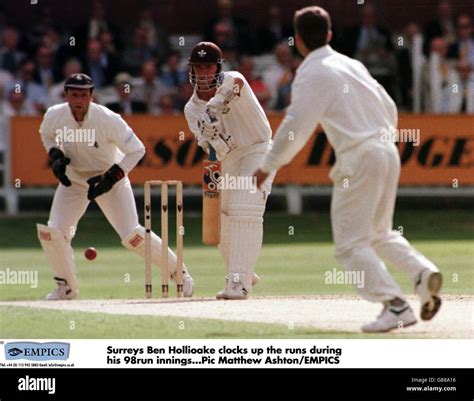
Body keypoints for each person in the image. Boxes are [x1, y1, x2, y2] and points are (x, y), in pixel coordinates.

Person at [253, 7, 443, 333]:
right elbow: (388, 105)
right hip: (385, 148)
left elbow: (296, 126)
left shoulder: (313, 73)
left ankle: (395, 305)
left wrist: (267, 165)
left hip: (360, 155)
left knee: (350, 245)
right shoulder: (351, 64)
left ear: (297, 40)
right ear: (328, 35)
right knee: (379, 233)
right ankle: (422, 274)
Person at [37, 73, 194, 300]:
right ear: (66, 95)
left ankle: (180, 274)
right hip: (74, 180)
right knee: (54, 232)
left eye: (83, 95)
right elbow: (46, 134)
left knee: (132, 235)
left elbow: (137, 149)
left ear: (92, 96)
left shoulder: (108, 119)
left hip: (109, 179)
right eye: (74, 95)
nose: (78, 100)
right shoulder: (55, 115)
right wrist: (55, 154)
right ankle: (66, 287)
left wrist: (112, 177)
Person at [184, 42, 274, 299]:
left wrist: (214, 106)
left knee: (245, 207)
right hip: (229, 160)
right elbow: (214, 152)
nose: (202, 73)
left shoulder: (234, 80)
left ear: (218, 67)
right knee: (220, 220)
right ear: (191, 70)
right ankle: (245, 269)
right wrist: (215, 137)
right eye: (197, 67)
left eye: (207, 66)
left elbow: (234, 87)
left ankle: (238, 282)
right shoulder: (191, 109)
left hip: (258, 150)